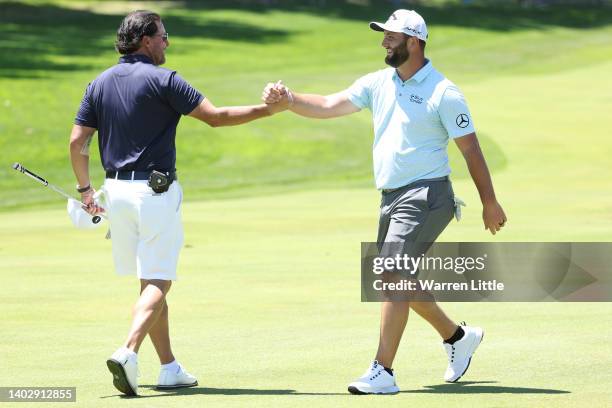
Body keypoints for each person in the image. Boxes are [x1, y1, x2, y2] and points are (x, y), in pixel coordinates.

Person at [263, 9, 507, 395]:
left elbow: (471, 149)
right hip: (391, 196)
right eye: (384, 35)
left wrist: (489, 202)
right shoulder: (379, 83)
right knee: (397, 278)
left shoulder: (444, 92)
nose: (383, 41)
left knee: (392, 274)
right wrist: (289, 99)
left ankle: (383, 371)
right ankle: (458, 338)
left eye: (391, 36)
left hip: (427, 195)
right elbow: (328, 105)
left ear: (414, 41)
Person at [69, 10, 282, 396]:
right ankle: (128, 351)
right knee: (159, 280)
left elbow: (76, 142)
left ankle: (169, 367)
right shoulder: (164, 79)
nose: (167, 43)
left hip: (114, 194)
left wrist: (85, 191)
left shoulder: (98, 83)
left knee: (149, 280)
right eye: (164, 36)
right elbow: (216, 118)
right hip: (155, 194)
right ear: (146, 39)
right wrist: (270, 109)